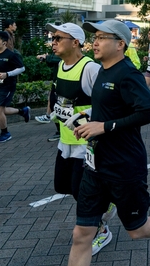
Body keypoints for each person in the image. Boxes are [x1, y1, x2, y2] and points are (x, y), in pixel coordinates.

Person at [64, 19, 150, 266]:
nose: (95, 42)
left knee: (137, 229)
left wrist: (103, 126)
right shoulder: (103, 70)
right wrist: (88, 116)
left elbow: (149, 112)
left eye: (101, 37)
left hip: (124, 166)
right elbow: (112, 106)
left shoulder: (128, 74)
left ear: (120, 44)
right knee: (81, 234)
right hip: (95, 165)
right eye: (95, 37)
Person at [44, 23, 115, 256]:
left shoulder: (90, 68)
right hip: (66, 140)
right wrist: (53, 111)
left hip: (86, 143)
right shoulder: (61, 65)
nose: (53, 42)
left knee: (81, 192)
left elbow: (108, 103)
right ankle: (107, 201)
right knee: (62, 186)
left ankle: (101, 229)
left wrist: (88, 116)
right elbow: (60, 95)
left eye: (58, 38)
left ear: (75, 42)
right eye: (53, 38)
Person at [0, 31, 30, 143]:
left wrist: (7, 74)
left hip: (7, 86)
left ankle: (5, 133)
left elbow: (21, 68)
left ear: (4, 43)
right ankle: (22, 111)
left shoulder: (11, 55)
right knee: (1, 110)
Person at [35, 51, 61, 141]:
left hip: (65, 84)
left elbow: (61, 59)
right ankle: (59, 131)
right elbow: (53, 63)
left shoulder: (67, 53)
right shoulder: (56, 53)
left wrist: (47, 57)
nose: (54, 45)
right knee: (53, 105)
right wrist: (47, 58)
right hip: (56, 83)